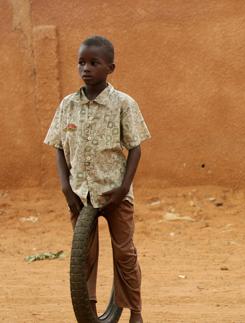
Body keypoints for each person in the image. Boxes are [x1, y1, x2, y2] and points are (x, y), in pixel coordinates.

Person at [44, 35, 151, 323]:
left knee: (124, 253)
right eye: (81, 62)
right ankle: (89, 311)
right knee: (84, 257)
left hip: (115, 192)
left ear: (110, 68)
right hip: (80, 194)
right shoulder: (68, 105)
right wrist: (66, 186)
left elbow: (135, 148)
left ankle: (135, 311)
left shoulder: (123, 104)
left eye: (94, 63)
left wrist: (124, 187)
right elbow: (57, 145)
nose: (85, 68)